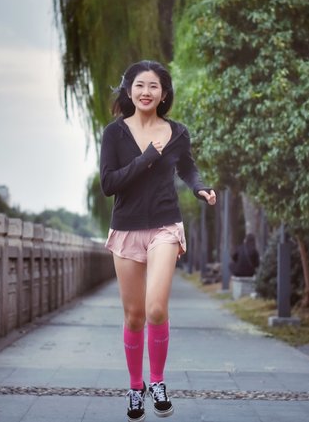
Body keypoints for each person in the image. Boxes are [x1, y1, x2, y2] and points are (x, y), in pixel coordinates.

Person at [100, 60, 216, 421]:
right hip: (126, 228)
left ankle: (158, 381)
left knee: (155, 309)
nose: (146, 92)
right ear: (129, 91)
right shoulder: (114, 134)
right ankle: (136, 387)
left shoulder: (177, 132)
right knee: (135, 316)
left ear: (164, 93)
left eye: (153, 86)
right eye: (139, 85)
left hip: (165, 225)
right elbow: (109, 184)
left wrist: (200, 188)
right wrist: (149, 156)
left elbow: (187, 167)